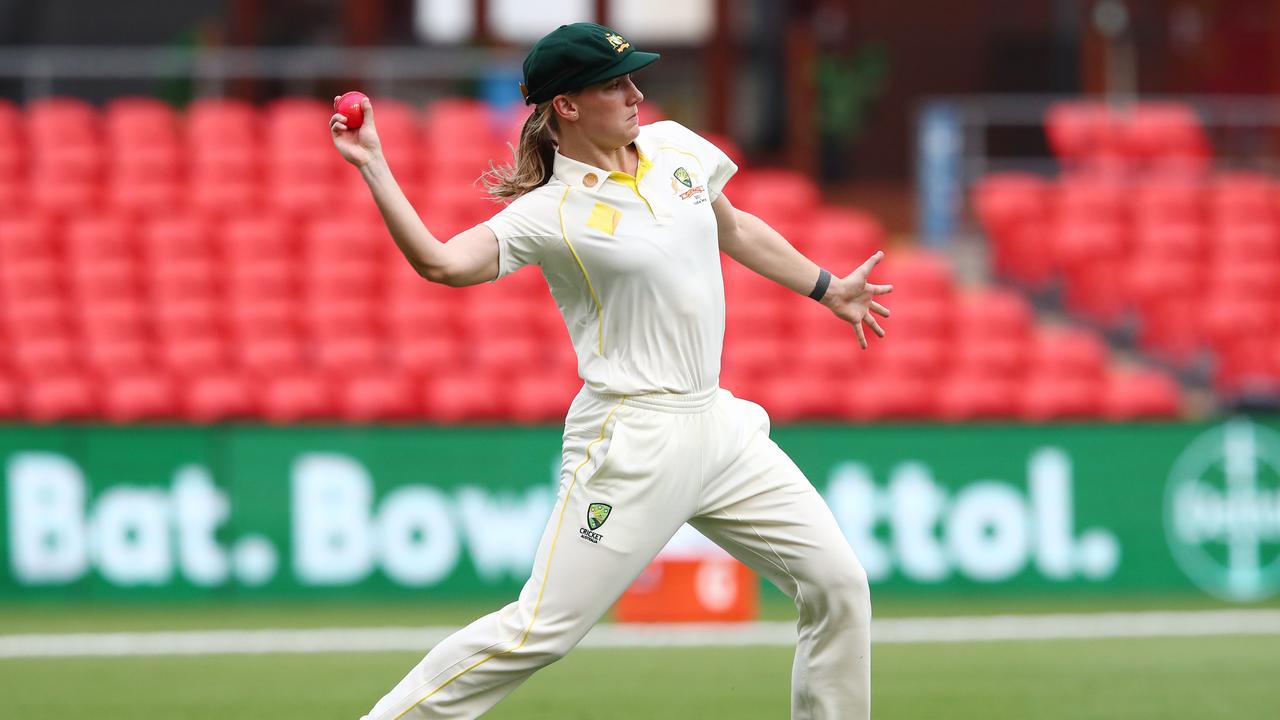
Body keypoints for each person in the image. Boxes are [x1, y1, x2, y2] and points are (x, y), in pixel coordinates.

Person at [330, 22, 891, 720]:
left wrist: (827, 287)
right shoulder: (550, 212)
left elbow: (736, 229)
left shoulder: (675, 147)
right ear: (566, 105)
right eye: (615, 84)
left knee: (839, 584)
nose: (637, 93)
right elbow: (441, 264)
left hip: (719, 427)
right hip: (631, 440)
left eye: (633, 77)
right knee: (538, 632)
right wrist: (375, 165)